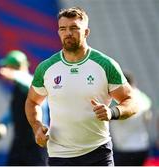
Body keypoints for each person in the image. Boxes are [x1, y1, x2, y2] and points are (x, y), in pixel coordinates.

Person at [25, 7, 138, 166]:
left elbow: (131, 101)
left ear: (86, 32)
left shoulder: (105, 64)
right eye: (63, 29)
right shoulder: (46, 68)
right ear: (58, 32)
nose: (68, 33)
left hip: (98, 152)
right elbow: (32, 102)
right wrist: (37, 126)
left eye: (74, 28)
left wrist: (112, 112)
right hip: (59, 154)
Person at [0, 50, 49, 165]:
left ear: (15, 67)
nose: (5, 68)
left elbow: (30, 85)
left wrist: (16, 74)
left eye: (7, 66)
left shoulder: (32, 83)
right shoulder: (18, 88)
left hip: (37, 143)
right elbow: (14, 112)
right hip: (19, 144)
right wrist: (0, 124)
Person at [110, 72, 152, 166]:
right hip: (142, 146)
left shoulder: (119, 98)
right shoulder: (143, 97)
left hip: (125, 149)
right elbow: (148, 118)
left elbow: (110, 116)